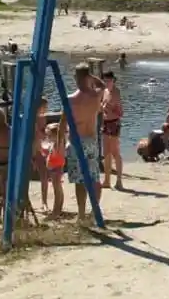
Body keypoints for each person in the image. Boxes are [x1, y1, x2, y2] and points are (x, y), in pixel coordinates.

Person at [60, 63, 104, 220]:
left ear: (75, 78)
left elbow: (62, 125)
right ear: (88, 78)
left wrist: (59, 144)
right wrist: (92, 78)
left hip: (75, 142)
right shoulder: (95, 96)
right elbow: (102, 85)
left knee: (79, 180)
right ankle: (95, 211)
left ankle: (81, 213)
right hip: (91, 140)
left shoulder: (70, 100)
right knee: (94, 177)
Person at [101, 70, 124, 190]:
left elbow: (121, 113)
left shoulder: (116, 92)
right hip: (105, 123)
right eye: (105, 80)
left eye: (109, 80)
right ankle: (106, 180)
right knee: (106, 153)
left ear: (113, 80)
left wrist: (110, 108)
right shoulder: (104, 91)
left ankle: (119, 180)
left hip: (114, 123)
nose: (107, 83)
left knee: (115, 152)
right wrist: (103, 108)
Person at [44, 123, 65, 219]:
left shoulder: (58, 142)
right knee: (58, 189)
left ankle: (55, 211)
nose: (47, 137)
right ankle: (58, 209)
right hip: (54, 168)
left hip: (56, 169)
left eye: (49, 135)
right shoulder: (54, 143)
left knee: (57, 191)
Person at [32, 97, 49, 212]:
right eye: (45, 107)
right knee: (43, 176)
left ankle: (44, 201)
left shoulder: (42, 118)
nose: (46, 109)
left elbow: (43, 135)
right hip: (35, 150)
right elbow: (36, 135)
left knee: (44, 176)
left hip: (41, 149)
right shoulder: (33, 119)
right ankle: (43, 202)